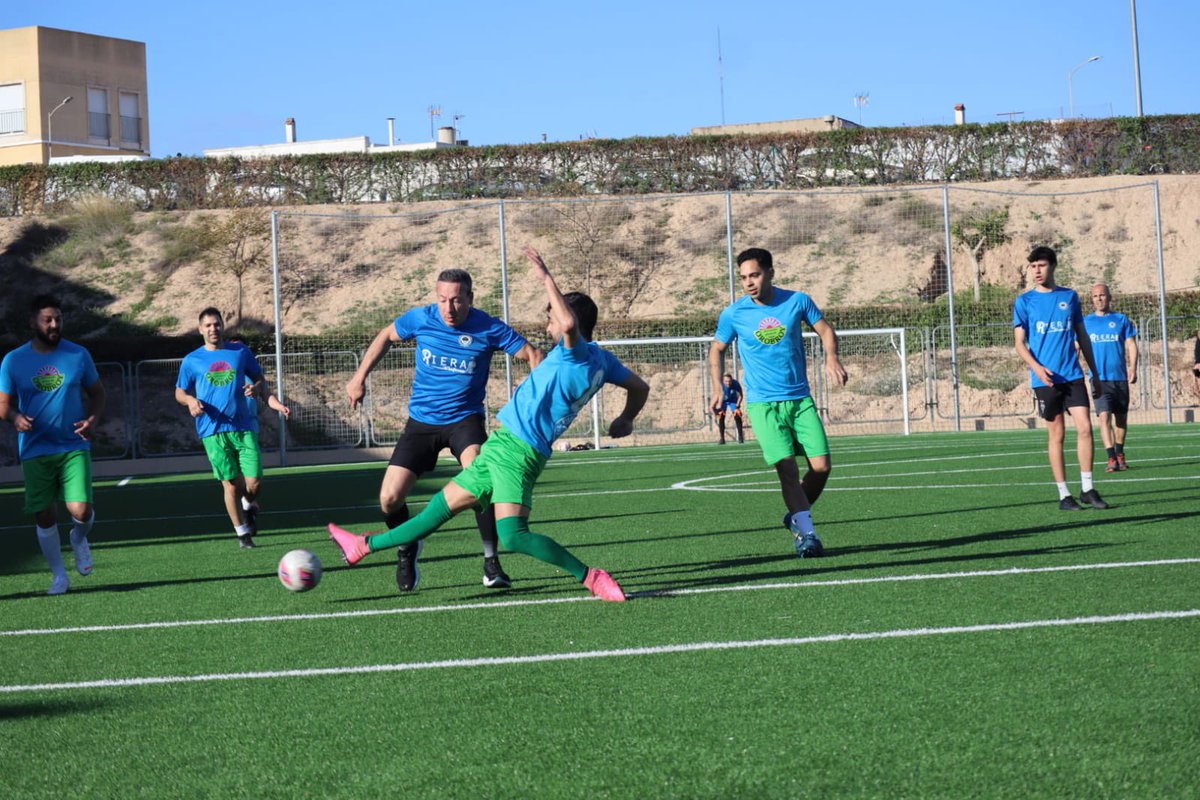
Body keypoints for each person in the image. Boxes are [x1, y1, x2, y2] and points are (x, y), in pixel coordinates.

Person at [329, 246, 650, 602]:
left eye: (551, 320)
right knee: (439, 507)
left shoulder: (575, 353)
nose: (548, 326)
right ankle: (362, 545)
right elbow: (640, 386)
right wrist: (626, 417)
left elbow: (569, 324)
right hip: (503, 445)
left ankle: (590, 576)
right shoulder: (603, 360)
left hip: (518, 452)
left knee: (514, 536)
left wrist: (546, 278)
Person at [345, 268, 542, 592]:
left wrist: (532, 393)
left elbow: (533, 355)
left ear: (470, 298)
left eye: (456, 300)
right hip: (421, 423)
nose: (448, 308)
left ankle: (491, 562)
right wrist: (359, 377)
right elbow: (385, 336)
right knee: (389, 498)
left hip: (464, 421)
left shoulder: (488, 326)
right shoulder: (420, 318)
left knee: (480, 475)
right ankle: (406, 547)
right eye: (442, 300)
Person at [707, 247, 847, 559]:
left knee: (821, 467)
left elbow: (825, 330)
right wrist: (717, 386)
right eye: (743, 277)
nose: (748, 282)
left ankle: (797, 515)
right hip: (762, 404)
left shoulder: (797, 301)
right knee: (786, 468)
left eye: (754, 274)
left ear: (770, 272)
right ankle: (806, 534)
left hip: (799, 399)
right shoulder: (734, 314)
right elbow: (716, 349)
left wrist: (832, 357)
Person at [0, 295, 105, 595]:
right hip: (35, 449)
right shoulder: (13, 360)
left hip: (73, 445)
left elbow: (98, 394)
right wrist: (15, 417)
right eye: (48, 319)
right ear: (33, 322)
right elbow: (3, 404)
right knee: (44, 515)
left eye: (58, 318)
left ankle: (78, 538)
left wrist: (92, 421)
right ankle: (59, 575)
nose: (54, 324)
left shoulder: (78, 355)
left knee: (81, 510)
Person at [175, 308, 279, 548]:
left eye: (217, 324)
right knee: (231, 484)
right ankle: (242, 533)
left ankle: (247, 505)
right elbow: (179, 392)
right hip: (212, 429)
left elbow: (259, 378)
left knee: (254, 484)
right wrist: (190, 401)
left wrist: (256, 387)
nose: (213, 329)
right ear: (200, 329)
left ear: (223, 326)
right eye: (208, 325)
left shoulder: (240, 352)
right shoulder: (192, 360)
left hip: (243, 426)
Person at [1013, 246, 1107, 511]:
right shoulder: (1024, 302)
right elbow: (1019, 344)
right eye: (1033, 266)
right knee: (1057, 434)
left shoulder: (1070, 297)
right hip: (1045, 380)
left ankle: (1087, 488)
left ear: (1052, 266)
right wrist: (1037, 368)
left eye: (1041, 265)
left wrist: (1095, 373)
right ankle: (1064, 495)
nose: (1037, 270)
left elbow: (1082, 336)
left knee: (1086, 427)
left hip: (1073, 375)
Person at [1081, 284, 1137, 472]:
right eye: (1095, 296)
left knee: (1121, 419)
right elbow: (1075, 346)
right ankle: (1111, 457)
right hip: (1098, 379)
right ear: (1092, 299)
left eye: (1102, 295)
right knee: (1103, 416)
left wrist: (1133, 368)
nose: (1099, 299)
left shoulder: (1120, 319)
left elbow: (1131, 345)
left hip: (1119, 377)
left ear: (1109, 297)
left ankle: (1120, 453)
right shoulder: (1086, 322)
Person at [716, 373, 745, 444]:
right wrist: (718, 406)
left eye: (729, 381)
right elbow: (716, 396)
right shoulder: (720, 385)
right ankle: (722, 438)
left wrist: (738, 405)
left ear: (732, 380)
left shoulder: (735, 384)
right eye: (726, 381)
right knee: (721, 416)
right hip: (723, 401)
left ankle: (740, 437)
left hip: (733, 400)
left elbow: (741, 395)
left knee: (737, 415)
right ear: (723, 381)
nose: (728, 383)